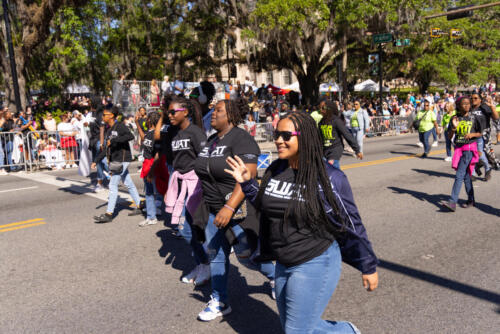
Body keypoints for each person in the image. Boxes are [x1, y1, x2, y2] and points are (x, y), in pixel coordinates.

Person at [225, 112, 378, 333]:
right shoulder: (275, 170)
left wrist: (368, 265)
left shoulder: (330, 178)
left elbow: (351, 224)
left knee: (296, 331)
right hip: (284, 262)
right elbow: (266, 205)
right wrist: (247, 184)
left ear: (304, 137)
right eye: (277, 134)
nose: (278, 140)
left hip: (315, 260)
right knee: (294, 326)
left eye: (286, 135)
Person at [193, 98, 275, 321]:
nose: (213, 113)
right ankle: (220, 300)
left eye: (218, 110)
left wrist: (229, 207)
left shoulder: (242, 139)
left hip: (238, 210)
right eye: (213, 110)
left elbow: (247, 176)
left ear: (230, 115)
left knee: (248, 257)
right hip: (212, 208)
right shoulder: (211, 141)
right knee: (216, 254)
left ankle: (277, 277)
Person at [163, 96, 210, 285]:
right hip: (180, 185)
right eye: (169, 112)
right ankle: (202, 263)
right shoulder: (174, 133)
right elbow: (175, 164)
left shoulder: (196, 133)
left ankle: (207, 264)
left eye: (173, 112)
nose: (170, 115)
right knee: (184, 229)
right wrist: (170, 187)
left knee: (194, 229)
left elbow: (205, 160)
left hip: (195, 186)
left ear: (186, 112)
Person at [92, 106, 142, 223]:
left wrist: (115, 140)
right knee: (128, 183)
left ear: (112, 115)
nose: (103, 117)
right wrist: (96, 160)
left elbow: (130, 136)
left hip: (123, 159)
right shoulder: (109, 130)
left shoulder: (120, 126)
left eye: (105, 115)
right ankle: (140, 206)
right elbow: (106, 148)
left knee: (113, 185)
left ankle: (109, 214)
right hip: (116, 160)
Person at [443, 97, 483, 212]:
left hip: (469, 149)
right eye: (463, 104)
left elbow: (481, 133)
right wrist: (454, 128)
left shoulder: (474, 117)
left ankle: (452, 202)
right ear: (459, 106)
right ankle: (471, 200)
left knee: (459, 175)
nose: (466, 105)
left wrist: (472, 135)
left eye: (468, 103)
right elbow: (450, 137)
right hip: (459, 149)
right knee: (466, 176)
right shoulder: (454, 118)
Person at [134, 110, 161, 226]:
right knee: (149, 192)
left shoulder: (157, 134)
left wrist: (152, 169)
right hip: (147, 163)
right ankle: (151, 216)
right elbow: (144, 139)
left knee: (160, 191)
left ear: (151, 120)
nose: (146, 120)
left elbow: (158, 153)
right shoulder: (150, 133)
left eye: (148, 118)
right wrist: (137, 124)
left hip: (153, 164)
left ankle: (173, 220)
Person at [319, 100, 362, 168]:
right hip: (325, 151)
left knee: (333, 172)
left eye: (323, 108)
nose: (320, 110)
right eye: (320, 108)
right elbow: (319, 138)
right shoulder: (321, 122)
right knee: (325, 172)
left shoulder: (336, 121)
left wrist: (357, 150)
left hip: (335, 150)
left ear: (329, 109)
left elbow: (347, 135)